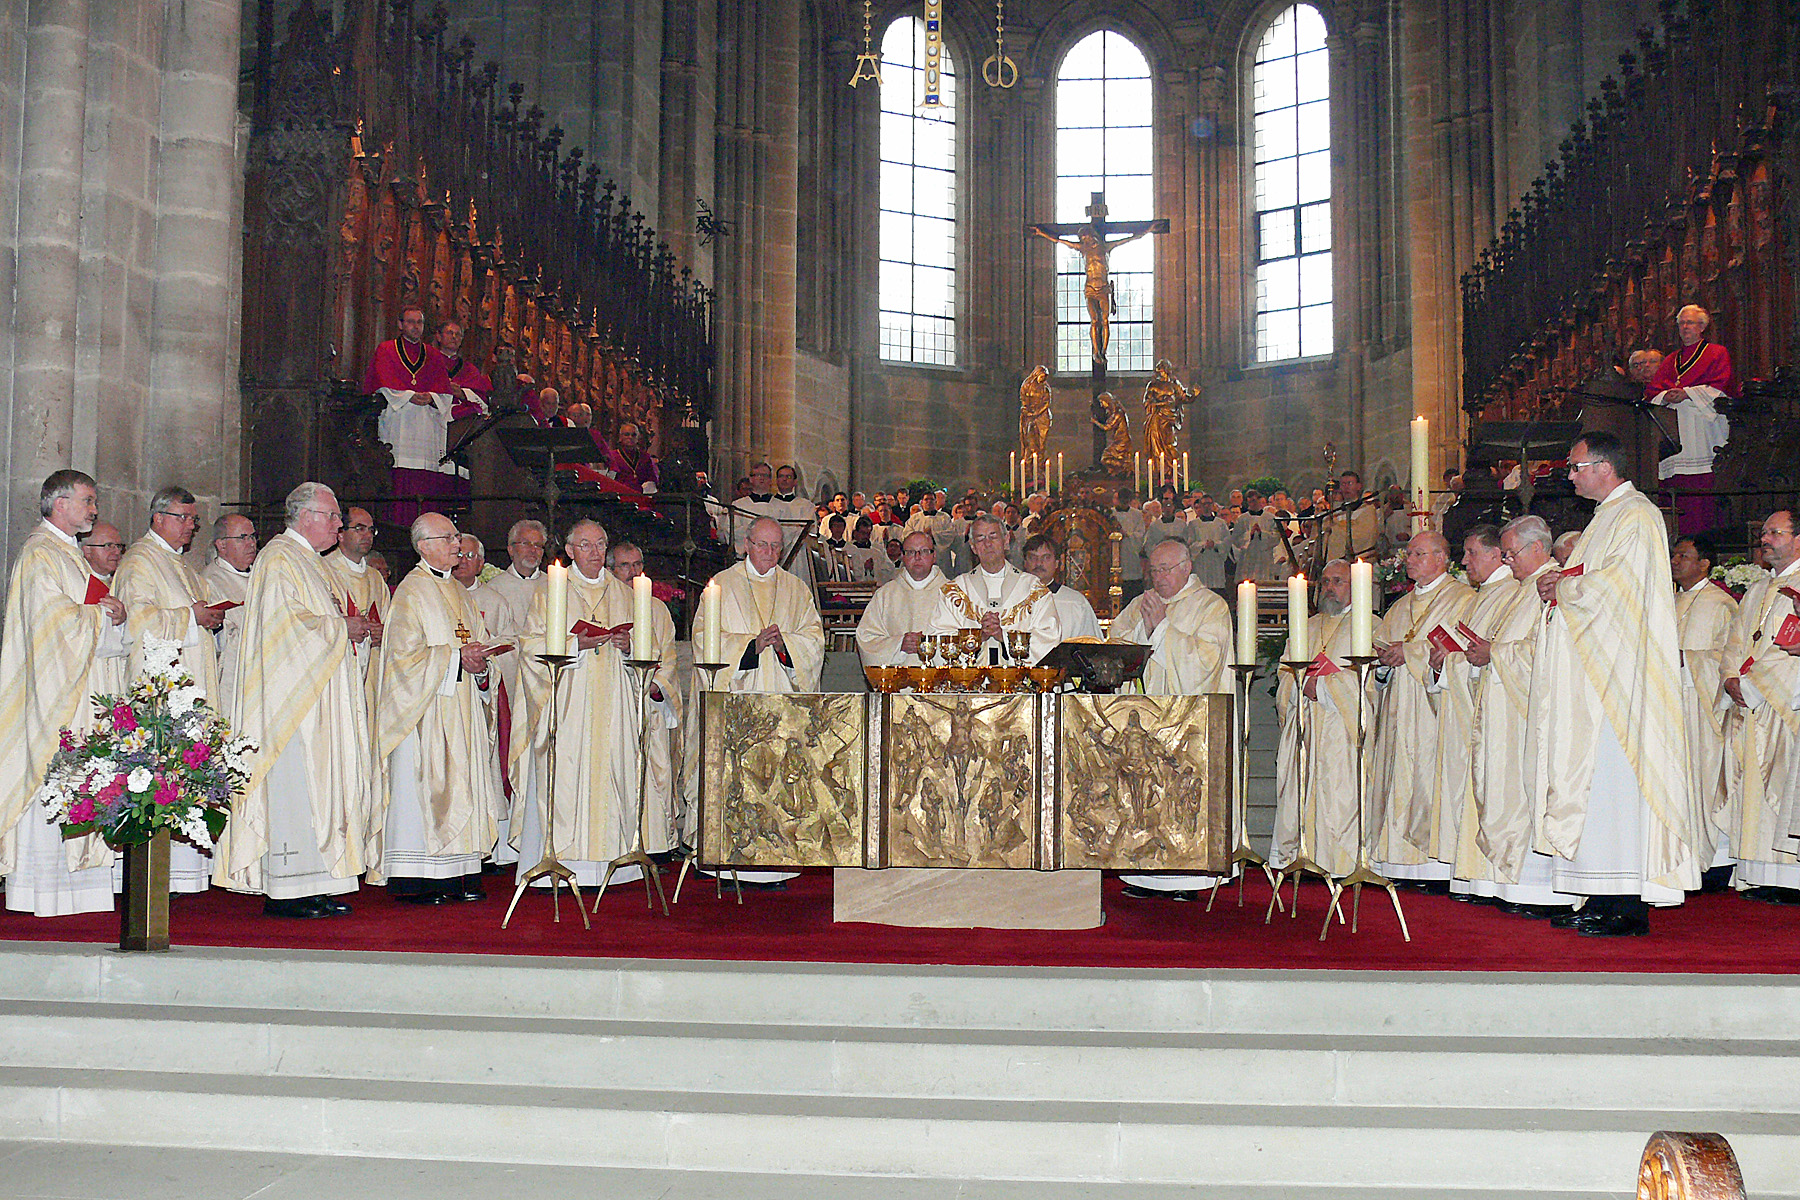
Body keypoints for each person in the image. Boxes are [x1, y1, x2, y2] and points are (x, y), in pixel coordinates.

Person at [1529, 432, 1699, 935]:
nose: (1571, 474)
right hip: (1594, 678)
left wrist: (1565, 585)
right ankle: (1599, 894)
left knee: (1617, 791)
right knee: (1593, 790)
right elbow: (1591, 580)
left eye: (1577, 465)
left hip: (1620, 682)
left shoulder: (1637, 515)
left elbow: (1623, 589)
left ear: (1605, 467)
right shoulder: (1605, 517)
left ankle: (1627, 906)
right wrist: (1557, 581)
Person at [216, 483, 376, 918]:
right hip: (293, 705)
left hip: (319, 698)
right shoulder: (279, 557)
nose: (339, 524)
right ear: (305, 516)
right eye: (332, 516)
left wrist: (344, 627)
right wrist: (340, 627)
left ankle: (320, 881)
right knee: (297, 790)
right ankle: (288, 890)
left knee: (322, 790)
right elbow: (284, 628)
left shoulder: (312, 562)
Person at [508, 520, 679, 891]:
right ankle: (562, 861)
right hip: (568, 707)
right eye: (584, 545)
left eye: (600, 544)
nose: (594, 552)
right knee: (567, 776)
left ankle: (612, 866)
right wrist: (575, 646)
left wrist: (630, 646)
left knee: (612, 773)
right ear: (569, 551)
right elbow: (529, 646)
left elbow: (650, 649)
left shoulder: (624, 594)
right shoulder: (551, 591)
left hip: (614, 706)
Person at [0, 471, 130, 916]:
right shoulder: (40, 553)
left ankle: (81, 891)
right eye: (88, 501)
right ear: (59, 503)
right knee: (57, 778)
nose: (95, 510)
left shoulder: (67, 552)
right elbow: (50, 622)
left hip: (80, 685)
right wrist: (99, 614)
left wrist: (106, 613)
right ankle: (43, 891)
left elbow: (79, 612)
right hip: (56, 693)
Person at [373, 513, 504, 905]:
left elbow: (478, 648)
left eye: (457, 537)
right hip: (424, 713)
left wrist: (481, 666)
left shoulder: (462, 593)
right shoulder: (411, 591)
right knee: (423, 792)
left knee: (463, 783)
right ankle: (417, 878)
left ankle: (458, 873)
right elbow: (400, 659)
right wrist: (454, 659)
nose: (457, 545)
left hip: (460, 707)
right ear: (423, 544)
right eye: (448, 538)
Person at [112, 486, 227, 896]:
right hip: (160, 691)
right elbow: (136, 623)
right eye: (183, 518)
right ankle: (153, 876)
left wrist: (207, 617)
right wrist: (190, 617)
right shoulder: (140, 561)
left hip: (190, 681)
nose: (190, 526)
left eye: (193, 519)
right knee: (161, 774)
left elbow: (194, 613)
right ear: (158, 518)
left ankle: (182, 875)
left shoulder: (180, 565)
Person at [1461, 516, 1574, 917]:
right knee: (1507, 795)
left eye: (1510, 553)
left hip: (1530, 715)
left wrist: (1496, 653)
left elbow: (1551, 653)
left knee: (1530, 796)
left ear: (1537, 548)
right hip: (1506, 709)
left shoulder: (1553, 585)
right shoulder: (1521, 590)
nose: (1506, 560)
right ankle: (1513, 887)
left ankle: (1542, 892)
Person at [1109, 538, 1234, 899]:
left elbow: (1205, 664)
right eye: (1154, 570)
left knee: (1183, 797)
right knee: (1144, 796)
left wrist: (1162, 628)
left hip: (1188, 726)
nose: (1159, 578)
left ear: (1186, 568)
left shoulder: (1210, 606)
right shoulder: (1139, 604)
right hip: (1144, 723)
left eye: (1166, 570)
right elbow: (1117, 646)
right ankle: (1145, 875)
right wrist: (1144, 630)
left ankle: (1191, 878)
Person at [1368, 531, 1474, 890]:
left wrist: (1408, 653)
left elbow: (1457, 649)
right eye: (1408, 553)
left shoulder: (1463, 600)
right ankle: (1399, 863)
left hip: (1436, 710)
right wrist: (1382, 665)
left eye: (1418, 553)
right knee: (1398, 779)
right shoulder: (1398, 608)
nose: (1409, 560)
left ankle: (1433, 868)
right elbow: (1383, 657)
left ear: (1442, 558)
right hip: (1399, 707)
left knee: (1431, 780)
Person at [1423, 525, 1520, 902]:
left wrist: (1454, 661)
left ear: (1496, 555)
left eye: (1470, 553)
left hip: (1490, 712)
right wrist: (1441, 661)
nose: (1464, 561)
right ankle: (1469, 876)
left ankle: (1484, 877)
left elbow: (1490, 656)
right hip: (1466, 708)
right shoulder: (1483, 596)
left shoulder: (1509, 594)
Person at [1720, 510, 1800, 901]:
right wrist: (1731, 677)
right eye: (1764, 532)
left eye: (1775, 532)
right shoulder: (1755, 590)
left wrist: (1756, 686)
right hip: (1750, 701)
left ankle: (1790, 878)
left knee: (1783, 784)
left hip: (1784, 702)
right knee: (1752, 787)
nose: (1765, 539)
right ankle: (1759, 873)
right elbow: (1734, 641)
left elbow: (1788, 652)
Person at [1271, 559, 1363, 877]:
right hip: (1304, 723)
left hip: (1341, 730)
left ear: (1357, 587)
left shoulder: (1370, 624)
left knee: (1339, 793)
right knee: (1296, 789)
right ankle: (1299, 856)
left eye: (1338, 581)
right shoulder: (1306, 626)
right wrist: (1298, 685)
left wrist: (1321, 686)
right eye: (1324, 582)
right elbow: (1284, 672)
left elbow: (1366, 683)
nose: (1329, 588)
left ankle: (1337, 862)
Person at [607, 540, 684, 854]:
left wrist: (657, 685)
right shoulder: (606, 603)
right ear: (611, 570)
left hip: (650, 705)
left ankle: (656, 843)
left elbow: (669, 657)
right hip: (615, 706)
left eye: (638, 564)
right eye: (625, 565)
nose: (633, 572)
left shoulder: (657, 609)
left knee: (656, 772)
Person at [1669, 534, 1738, 885]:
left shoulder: (1720, 604)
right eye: (1674, 554)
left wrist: (1687, 659)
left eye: (1684, 555)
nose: (1675, 560)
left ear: (1704, 564)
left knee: (1707, 781)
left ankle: (1718, 864)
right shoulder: (1667, 600)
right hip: (1671, 706)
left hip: (1702, 708)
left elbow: (1728, 659)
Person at [363, 306, 460, 521]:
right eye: (410, 322)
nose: (415, 327)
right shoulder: (386, 349)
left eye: (419, 323)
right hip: (400, 422)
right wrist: (408, 395)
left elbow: (443, 390)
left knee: (425, 479)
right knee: (400, 476)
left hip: (426, 425)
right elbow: (381, 381)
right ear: (400, 324)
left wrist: (432, 398)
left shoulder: (433, 354)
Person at [1646, 304, 1734, 534]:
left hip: (1701, 428)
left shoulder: (1717, 352)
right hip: (1674, 428)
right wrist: (1667, 395)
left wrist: (1688, 393)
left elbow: (1723, 385)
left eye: (1690, 323)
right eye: (1681, 323)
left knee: (1700, 487)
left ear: (1702, 326)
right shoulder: (1670, 360)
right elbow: (1653, 391)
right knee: (1674, 485)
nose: (1685, 327)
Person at [928, 515, 1061, 666]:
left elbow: (1049, 639)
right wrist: (978, 637)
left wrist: (1003, 637)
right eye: (980, 538)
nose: (987, 543)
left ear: (1006, 541)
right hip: (969, 685)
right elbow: (938, 640)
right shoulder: (955, 590)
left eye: (993, 536)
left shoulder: (1033, 589)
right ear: (973, 547)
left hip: (1019, 685)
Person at [856, 532, 945, 667]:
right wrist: (899, 645)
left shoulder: (951, 594)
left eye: (924, 551)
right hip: (898, 683)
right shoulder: (885, 595)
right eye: (910, 552)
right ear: (903, 557)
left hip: (940, 682)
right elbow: (866, 638)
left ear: (934, 556)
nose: (917, 557)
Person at [324, 506, 388, 684]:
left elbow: (389, 622)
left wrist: (383, 633)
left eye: (371, 530)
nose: (367, 535)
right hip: (340, 669)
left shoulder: (375, 578)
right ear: (340, 534)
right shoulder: (324, 571)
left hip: (374, 670)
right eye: (359, 528)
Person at [202, 514, 257, 712]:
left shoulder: (261, 575)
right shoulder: (209, 582)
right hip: (234, 679)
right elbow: (216, 639)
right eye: (242, 538)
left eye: (252, 537)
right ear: (222, 545)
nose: (250, 544)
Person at [1021, 534, 1101, 641]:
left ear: (1057, 563)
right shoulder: (1013, 597)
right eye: (1033, 558)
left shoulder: (1076, 602)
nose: (1039, 563)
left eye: (1046, 557)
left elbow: (1091, 644)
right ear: (1025, 563)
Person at [434, 318, 492, 421]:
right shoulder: (428, 363)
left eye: (458, 334)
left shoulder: (470, 369)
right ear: (439, 336)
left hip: (460, 422)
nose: (454, 337)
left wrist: (462, 393)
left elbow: (482, 400)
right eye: (450, 333)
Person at [1318, 470, 1379, 562]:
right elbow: (1325, 529)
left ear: (1358, 486)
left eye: (1349, 483)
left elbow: (1365, 535)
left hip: (1358, 559)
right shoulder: (1335, 509)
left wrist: (1336, 528)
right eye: (1343, 484)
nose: (1346, 487)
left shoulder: (1368, 509)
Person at [1232, 489, 1290, 584]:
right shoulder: (1242, 519)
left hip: (1264, 559)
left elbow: (1276, 537)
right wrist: (1249, 535)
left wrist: (1261, 533)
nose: (1253, 504)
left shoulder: (1270, 518)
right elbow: (1236, 539)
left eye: (1255, 500)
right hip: (1247, 559)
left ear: (1259, 501)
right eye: (1250, 501)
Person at [1186, 494, 1233, 593]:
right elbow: (1189, 545)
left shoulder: (1221, 523)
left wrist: (1215, 544)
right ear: (1200, 506)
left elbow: (1227, 542)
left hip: (1216, 564)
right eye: (1204, 504)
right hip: (1200, 564)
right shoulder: (1193, 524)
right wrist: (1203, 545)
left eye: (1209, 504)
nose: (1207, 506)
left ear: (1213, 505)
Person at [604, 421, 660, 493]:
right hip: (620, 496)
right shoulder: (612, 456)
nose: (630, 437)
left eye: (634, 435)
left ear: (638, 438)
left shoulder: (645, 457)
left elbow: (652, 479)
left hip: (641, 496)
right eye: (627, 434)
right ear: (620, 437)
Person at [1113, 488, 1147, 604]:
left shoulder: (1137, 514)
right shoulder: (1111, 513)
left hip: (1131, 557)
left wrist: (1126, 534)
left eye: (1126, 500)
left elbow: (1140, 534)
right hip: (1114, 553)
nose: (1124, 502)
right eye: (1121, 500)